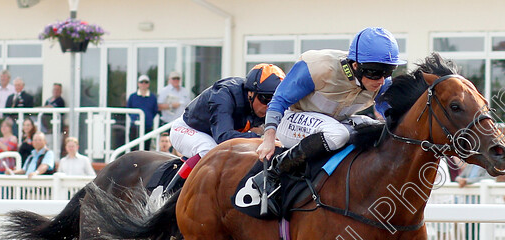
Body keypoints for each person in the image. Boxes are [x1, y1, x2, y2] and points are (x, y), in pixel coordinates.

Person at [256, 27, 406, 198]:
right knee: (337, 134)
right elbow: (279, 100)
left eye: (387, 72)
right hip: (291, 121)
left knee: (375, 128)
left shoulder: (381, 84)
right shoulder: (318, 67)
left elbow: (392, 119)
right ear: (356, 66)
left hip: (334, 122)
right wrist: (268, 139)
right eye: (375, 72)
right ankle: (277, 169)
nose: (381, 80)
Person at [164, 63, 285, 193]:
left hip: (216, 133)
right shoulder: (223, 95)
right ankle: (168, 194)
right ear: (250, 93)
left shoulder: (259, 103)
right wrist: (262, 138)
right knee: (209, 150)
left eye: (275, 102)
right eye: (266, 99)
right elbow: (223, 137)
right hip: (189, 129)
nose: (269, 107)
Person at [126, 75, 158, 150]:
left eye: (146, 82)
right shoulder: (133, 97)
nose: (143, 84)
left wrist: (148, 119)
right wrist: (134, 118)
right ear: (138, 84)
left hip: (147, 127)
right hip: (135, 127)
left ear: (148, 84)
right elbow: (129, 110)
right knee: (133, 148)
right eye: (141, 82)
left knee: (146, 149)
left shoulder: (152, 97)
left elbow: (155, 111)